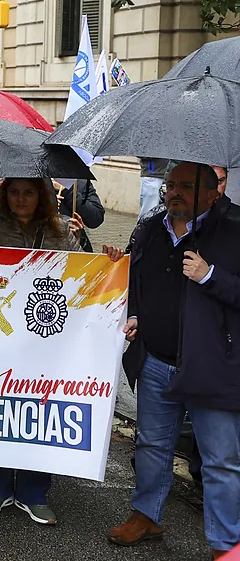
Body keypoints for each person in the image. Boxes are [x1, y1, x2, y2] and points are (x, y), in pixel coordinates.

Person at [108, 163, 240, 558]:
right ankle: (146, 515)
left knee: (221, 462)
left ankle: (227, 543)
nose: (174, 193)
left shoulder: (233, 231)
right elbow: (140, 282)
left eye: (185, 186)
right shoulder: (151, 228)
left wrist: (209, 274)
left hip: (212, 367)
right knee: (151, 445)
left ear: (212, 192)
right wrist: (132, 312)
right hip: (156, 360)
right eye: (171, 186)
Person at [0, 178, 84, 524]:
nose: (21, 199)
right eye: (14, 192)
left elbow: (84, 276)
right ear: (4, 196)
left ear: (42, 196)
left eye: (29, 192)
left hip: (44, 341)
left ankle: (34, 491)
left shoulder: (62, 230)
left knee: (40, 413)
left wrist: (105, 258)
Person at [52, 178, 105, 252]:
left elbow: (96, 218)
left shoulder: (80, 182)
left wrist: (69, 192)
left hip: (77, 249)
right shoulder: (36, 181)